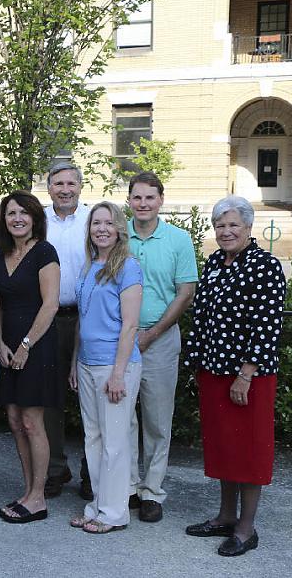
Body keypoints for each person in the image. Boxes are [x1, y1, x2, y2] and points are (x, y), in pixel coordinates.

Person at [184, 196, 285, 557]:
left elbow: (267, 326)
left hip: (248, 377)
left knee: (249, 449)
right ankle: (226, 517)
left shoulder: (265, 266)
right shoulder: (214, 263)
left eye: (232, 225)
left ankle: (246, 528)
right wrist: (196, 363)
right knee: (223, 445)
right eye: (220, 226)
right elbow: (201, 318)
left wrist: (246, 374)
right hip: (213, 371)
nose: (225, 232)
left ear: (248, 227)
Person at [126, 172, 198, 522]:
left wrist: (151, 334)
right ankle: (126, 486)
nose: (143, 204)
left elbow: (185, 293)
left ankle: (152, 491)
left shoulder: (178, 239)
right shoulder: (116, 234)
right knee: (121, 417)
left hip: (160, 341)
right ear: (129, 201)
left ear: (161, 201)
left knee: (156, 419)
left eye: (149, 198)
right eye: (137, 198)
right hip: (120, 341)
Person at [68, 202, 143, 535]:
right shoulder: (89, 267)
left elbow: (129, 326)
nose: (101, 228)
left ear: (118, 229)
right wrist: (74, 362)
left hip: (115, 366)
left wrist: (117, 373)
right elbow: (82, 320)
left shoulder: (128, 267)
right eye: (95, 222)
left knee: (115, 441)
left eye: (107, 223)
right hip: (86, 364)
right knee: (94, 439)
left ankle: (114, 513)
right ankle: (97, 506)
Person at [0, 191, 61, 524]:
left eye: (23, 212)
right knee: (15, 422)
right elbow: (0, 305)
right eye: (10, 213)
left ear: (34, 217)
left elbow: (50, 305)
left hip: (36, 345)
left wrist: (25, 345)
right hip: (8, 347)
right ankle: (27, 490)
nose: (17, 218)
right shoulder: (2, 253)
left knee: (33, 423)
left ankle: (38, 497)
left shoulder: (45, 252)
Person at [43, 162, 92, 500]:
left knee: (91, 398)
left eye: (70, 183)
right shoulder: (38, 220)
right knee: (49, 400)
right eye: (58, 183)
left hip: (88, 318)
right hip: (46, 319)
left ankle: (93, 472)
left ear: (80, 186)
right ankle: (54, 469)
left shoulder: (94, 220)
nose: (65, 189)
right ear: (49, 188)